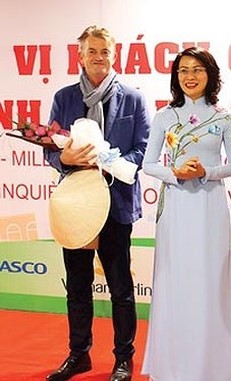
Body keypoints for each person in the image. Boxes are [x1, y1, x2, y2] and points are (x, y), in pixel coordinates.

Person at [44, 26, 151, 381]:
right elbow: (51, 149)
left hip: (116, 204)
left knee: (121, 286)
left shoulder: (133, 99)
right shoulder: (63, 97)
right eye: (92, 51)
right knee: (77, 284)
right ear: (81, 56)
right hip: (76, 204)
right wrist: (68, 159)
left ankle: (124, 359)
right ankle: (79, 354)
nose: (98, 57)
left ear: (114, 54)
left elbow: (143, 150)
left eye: (104, 51)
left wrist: (112, 161)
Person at [141, 47, 231, 381]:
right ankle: (173, 366)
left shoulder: (224, 117)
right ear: (176, 76)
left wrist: (205, 172)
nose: (190, 76)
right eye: (183, 70)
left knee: (209, 282)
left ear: (210, 75)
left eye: (198, 70)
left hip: (209, 206)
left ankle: (213, 367)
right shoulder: (164, 116)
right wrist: (175, 174)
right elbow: (148, 164)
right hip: (175, 206)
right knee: (176, 282)